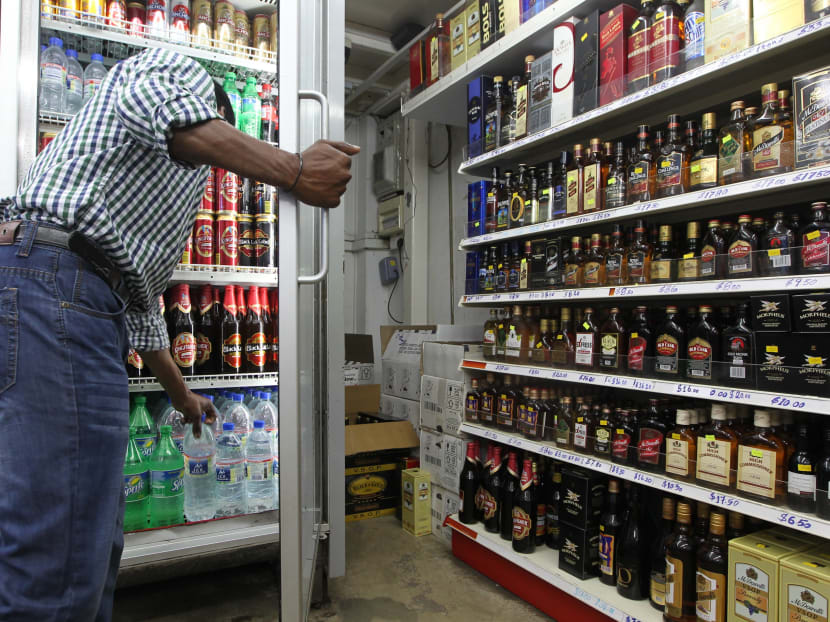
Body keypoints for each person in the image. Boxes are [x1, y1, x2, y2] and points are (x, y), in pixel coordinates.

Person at [0, 48, 357, 621]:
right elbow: (162, 108)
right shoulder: (176, 73)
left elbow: (138, 305)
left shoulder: (161, 184)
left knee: (89, 530)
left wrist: (178, 393)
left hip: (73, 298)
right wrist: (293, 170)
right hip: (54, 285)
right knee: (59, 549)